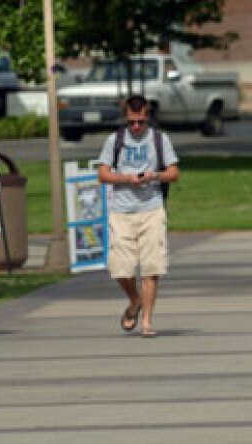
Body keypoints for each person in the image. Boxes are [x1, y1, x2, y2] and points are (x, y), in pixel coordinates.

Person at [97, 94, 180, 338]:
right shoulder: (115, 140)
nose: (136, 127)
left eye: (140, 122)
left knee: (151, 267)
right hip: (121, 211)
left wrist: (154, 176)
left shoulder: (159, 139)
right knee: (121, 269)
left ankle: (146, 321)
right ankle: (135, 300)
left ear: (147, 117)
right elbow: (103, 174)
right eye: (132, 122)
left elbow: (174, 172)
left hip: (151, 208)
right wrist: (126, 179)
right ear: (126, 117)